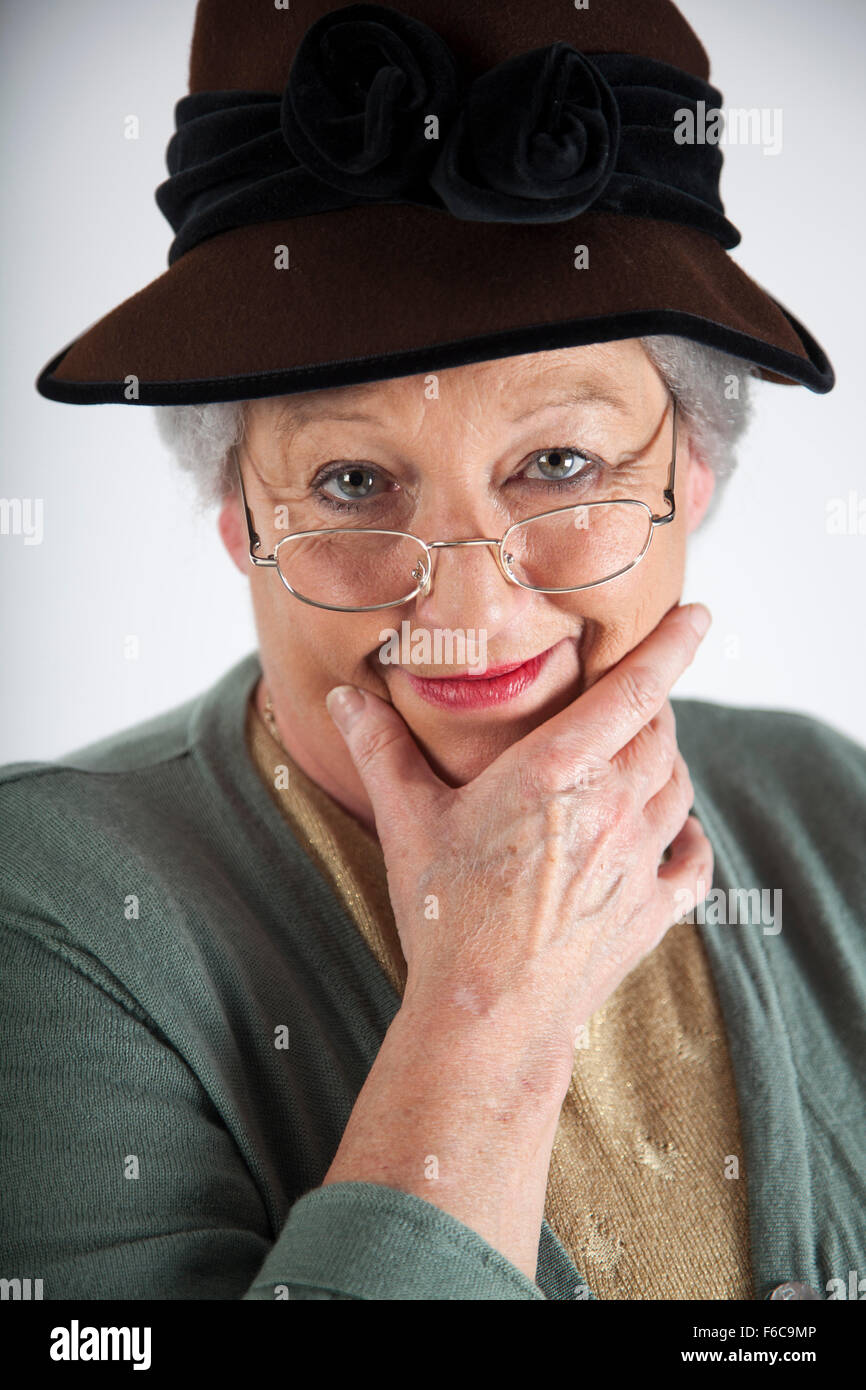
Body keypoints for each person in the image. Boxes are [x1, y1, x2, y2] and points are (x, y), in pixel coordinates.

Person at [2, 0, 863, 1303]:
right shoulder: (45, 913)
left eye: (558, 462)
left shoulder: (829, 805)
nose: (466, 597)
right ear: (238, 514)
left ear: (690, 473)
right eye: (352, 479)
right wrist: (485, 1014)